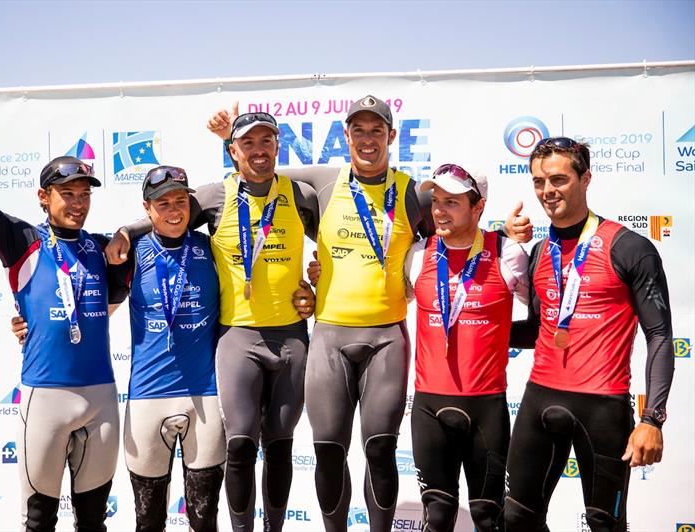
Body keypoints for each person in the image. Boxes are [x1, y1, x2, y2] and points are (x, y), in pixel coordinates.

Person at [209, 96, 532, 532]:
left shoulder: (413, 191)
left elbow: (455, 223)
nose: (366, 139)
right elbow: (257, 172)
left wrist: (503, 235)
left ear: (391, 137)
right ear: (345, 136)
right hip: (328, 338)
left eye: (376, 131)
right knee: (328, 450)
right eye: (357, 131)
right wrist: (229, 137)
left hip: (386, 339)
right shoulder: (320, 180)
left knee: (380, 448)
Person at [0, 83, 122, 532]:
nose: (77, 202)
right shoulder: (21, 240)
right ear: (43, 197)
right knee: (39, 521)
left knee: (94, 522)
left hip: (102, 398)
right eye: (67, 193)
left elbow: (168, 227)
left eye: (84, 193)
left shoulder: (105, 247)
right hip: (45, 397)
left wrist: (128, 231)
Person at [108, 112, 319, 532]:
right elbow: (165, 215)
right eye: (248, 143)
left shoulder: (302, 195)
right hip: (237, 336)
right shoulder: (213, 196)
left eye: (267, 141)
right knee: (240, 442)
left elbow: (341, 251)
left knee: (280, 444)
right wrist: (125, 232)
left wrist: (317, 288)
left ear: (278, 145)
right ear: (232, 151)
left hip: (292, 335)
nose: (259, 151)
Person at [505, 137, 675, 532]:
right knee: (515, 519)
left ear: (586, 179)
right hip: (539, 400)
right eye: (539, 182)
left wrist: (653, 419)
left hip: (602, 407)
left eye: (559, 180)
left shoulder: (630, 247)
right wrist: (479, 332)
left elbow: (661, 337)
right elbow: (536, 330)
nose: (548, 191)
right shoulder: (538, 252)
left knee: (604, 524)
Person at [404, 164, 528, 532]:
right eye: (437, 201)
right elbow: (380, 302)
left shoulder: (508, 254)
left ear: (478, 208)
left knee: (489, 517)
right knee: (437, 516)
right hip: (428, 407)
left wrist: (498, 334)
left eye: (452, 202)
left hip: (485, 408)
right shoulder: (417, 254)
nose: (439, 210)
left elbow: (543, 320)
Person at [114, 166, 225, 531]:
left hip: (205, 397)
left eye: (181, 201)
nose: (174, 210)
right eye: (164, 203)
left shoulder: (212, 248)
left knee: (205, 520)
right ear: (148, 208)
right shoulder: (130, 253)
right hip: (148, 397)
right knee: (148, 521)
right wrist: (27, 326)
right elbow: (93, 307)